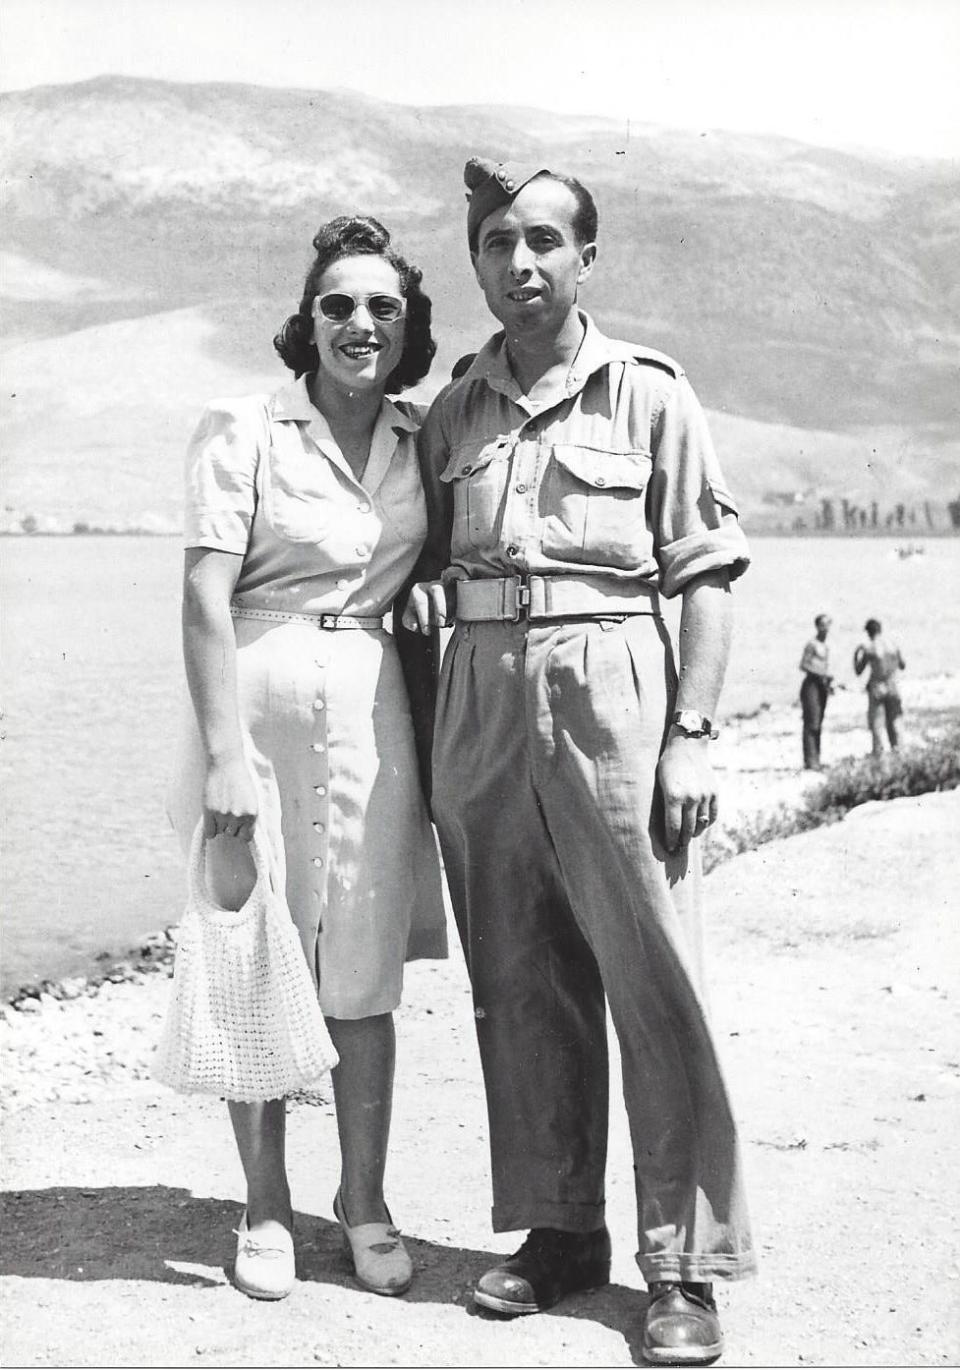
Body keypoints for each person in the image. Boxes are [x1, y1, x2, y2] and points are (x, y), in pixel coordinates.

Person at [403, 159, 756, 1365]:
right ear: (480, 261)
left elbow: (706, 574)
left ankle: (684, 1266)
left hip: (615, 693)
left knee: (653, 979)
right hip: (481, 700)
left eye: (546, 240)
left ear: (586, 259)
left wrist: (692, 733)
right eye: (499, 242)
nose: (522, 262)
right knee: (518, 977)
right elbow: (410, 571)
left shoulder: (649, 391)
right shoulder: (453, 409)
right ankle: (561, 1230)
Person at [169, 215, 447, 1302]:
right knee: (255, 955)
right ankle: (265, 1203)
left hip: (377, 714)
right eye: (338, 303)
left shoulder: (420, 437)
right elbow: (200, 596)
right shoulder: (245, 426)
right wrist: (224, 754)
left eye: (383, 305)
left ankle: (364, 1200)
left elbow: (447, 553)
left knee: (363, 963)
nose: (360, 323)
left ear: (407, 323)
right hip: (256, 713)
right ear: (308, 319)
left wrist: (423, 594)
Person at [854, 618, 906, 754]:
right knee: (895, 720)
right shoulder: (893, 645)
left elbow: (858, 671)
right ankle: (898, 749)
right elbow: (902, 665)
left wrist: (856, 654)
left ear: (868, 632)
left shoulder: (869, 647)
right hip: (892, 684)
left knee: (877, 722)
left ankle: (878, 752)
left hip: (877, 686)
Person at [799, 613, 833, 769]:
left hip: (821, 686)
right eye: (823, 624)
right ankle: (810, 761)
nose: (826, 628)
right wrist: (822, 674)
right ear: (818, 626)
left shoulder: (825, 645)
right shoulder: (812, 644)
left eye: (828, 624)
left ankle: (816, 759)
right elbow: (804, 665)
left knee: (818, 723)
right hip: (811, 685)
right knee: (811, 722)